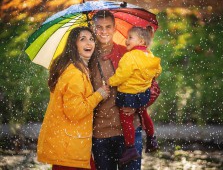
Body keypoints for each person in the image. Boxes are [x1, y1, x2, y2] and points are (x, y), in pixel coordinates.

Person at [37, 26, 110, 169]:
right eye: (82, 39)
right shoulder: (75, 74)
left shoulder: (78, 69)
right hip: (69, 149)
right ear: (74, 45)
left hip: (71, 146)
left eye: (91, 39)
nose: (89, 43)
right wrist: (99, 95)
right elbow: (75, 112)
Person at [89, 10, 143, 170]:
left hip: (129, 131)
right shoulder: (87, 57)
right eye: (99, 27)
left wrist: (136, 104)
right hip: (100, 133)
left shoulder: (129, 54)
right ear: (93, 28)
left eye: (108, 27)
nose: (104, 31)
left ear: (114, 28)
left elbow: (151, 87)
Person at [107, 26, 162, 164]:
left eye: (130, 37)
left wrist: (110, 82)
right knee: (144, 113)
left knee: (126, 120)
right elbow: (157, 70)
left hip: (129, 94)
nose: (126, 40)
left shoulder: (129, 56)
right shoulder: (150, 55)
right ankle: (151, 138)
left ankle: (130, 148)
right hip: (143, 93)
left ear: (141, 41)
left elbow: (122, 75)